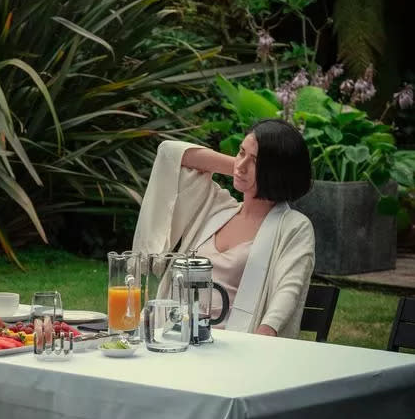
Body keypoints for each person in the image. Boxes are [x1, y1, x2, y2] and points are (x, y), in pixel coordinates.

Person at [132, 118, 314, 338]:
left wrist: (264, 337)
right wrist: (241, 169)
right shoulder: (217, 209)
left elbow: (288, 290)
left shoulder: (294, 227)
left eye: (255, 161)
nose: (241, 164)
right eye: (241, 152)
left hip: (236, 345)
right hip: (174, 337)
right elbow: (169, 152)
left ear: (276, 171)